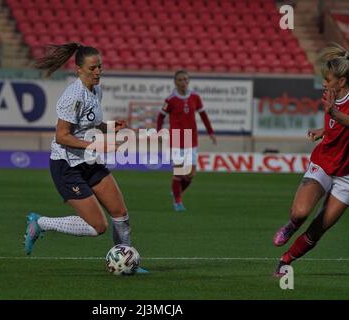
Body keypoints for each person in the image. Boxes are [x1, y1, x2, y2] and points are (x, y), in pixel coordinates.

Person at [25, 42, 148, 273]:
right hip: (66, 165)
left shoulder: (96, 90)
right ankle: (40, 223)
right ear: (78, 70)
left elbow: (92, 123)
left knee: (121, 214)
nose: (98, 72)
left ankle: (128, 263)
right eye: (92, 68)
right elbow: (62, 136)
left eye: (100, 67)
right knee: (97, 226)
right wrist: (94, 144)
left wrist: (110, 126)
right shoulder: (73, 96)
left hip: (88, 159)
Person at [273, 42, 349, 276]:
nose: (324, 83)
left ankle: (285, 261)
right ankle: (292, 225)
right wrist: (323, 131)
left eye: (328, 79)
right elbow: (339, 126)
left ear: (341, 82)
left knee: (319, 227)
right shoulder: (331, 97)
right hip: (324, 163)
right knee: (300, 213)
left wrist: (332, 112)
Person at [156, 70, 216, 212]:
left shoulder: (195, 97)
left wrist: (210, 132)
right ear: (175, 82)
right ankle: (178, 202)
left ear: (188, 81)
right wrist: (158, 132)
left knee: (190, 174)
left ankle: (177, 191)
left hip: (191, 138)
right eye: (180, 80)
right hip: (176, 137)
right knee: (179, 172)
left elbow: (204, 116)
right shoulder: (170, 100)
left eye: (185, 79)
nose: (183, 82)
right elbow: (160, 117)